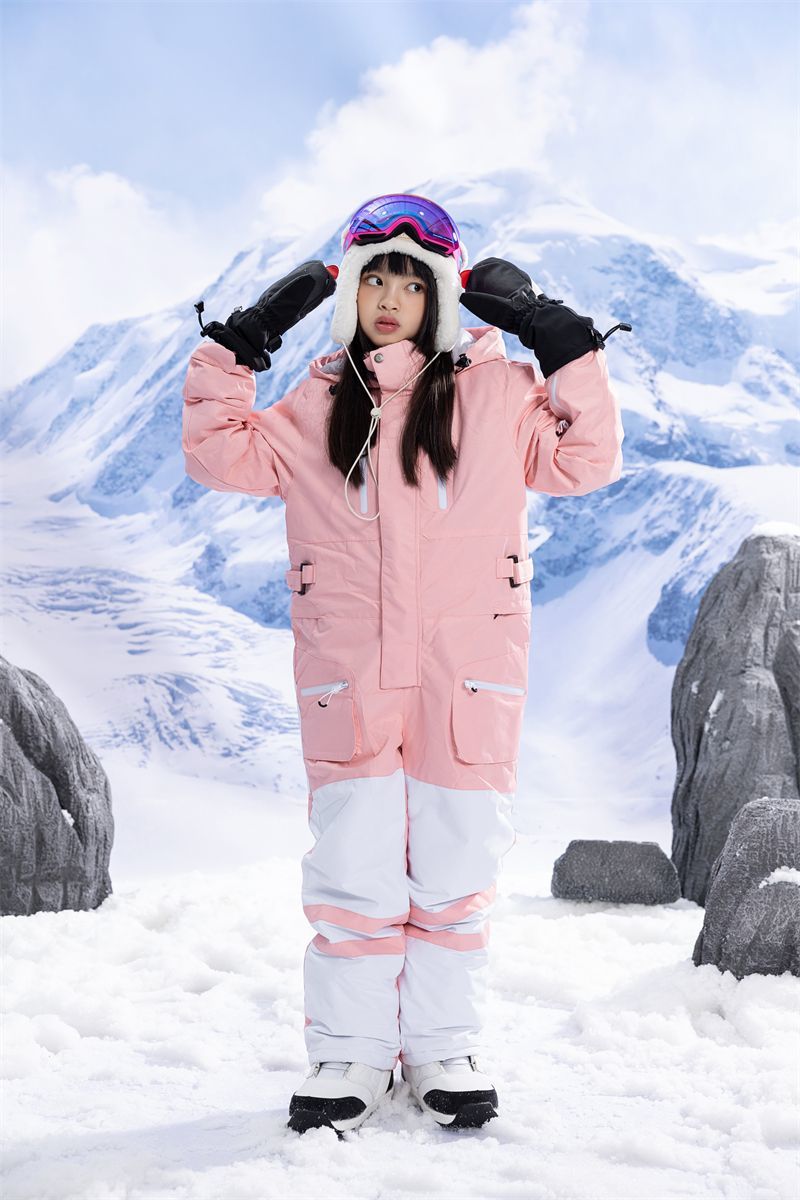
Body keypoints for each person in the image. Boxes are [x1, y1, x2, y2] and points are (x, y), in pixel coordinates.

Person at [181, 193, 628, 1137]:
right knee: (355, 873)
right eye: (373, 277)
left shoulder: (497, 394)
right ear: (350, 290)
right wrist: (238, 347)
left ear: (441, 296)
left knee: (456, 871)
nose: (390, 297)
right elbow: (217, 452)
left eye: (412, 281)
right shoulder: (317, 405)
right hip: (351, 678)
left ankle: (441, 1051)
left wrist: (560, 339)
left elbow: (586, 460)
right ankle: (349, 1056)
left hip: (468, 676)